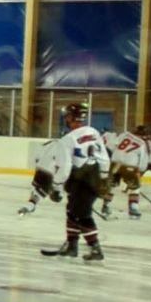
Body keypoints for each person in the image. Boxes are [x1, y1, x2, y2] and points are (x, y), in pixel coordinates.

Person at [44, 103, 108, 261]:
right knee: (72, 210)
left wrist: (57, 187)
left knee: (81, 214)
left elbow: (64, 167)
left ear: (70, 117)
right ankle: (72, 245)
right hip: (96, 175)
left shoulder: (68, 139)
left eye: (67, 116)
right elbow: (104, 156)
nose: (65, 118)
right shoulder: (93, 131)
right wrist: (104, 178)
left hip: (81, 180)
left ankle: (95, 249)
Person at [107, 124, 151, 219]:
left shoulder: (124, 135)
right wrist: (139, 172)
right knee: (135, 188)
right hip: (129, 166)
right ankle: (133, 209)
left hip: (115, 163)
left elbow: (111, 146)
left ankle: (105, 206)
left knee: (112, 185)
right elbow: (142, 162)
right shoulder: (143, 143)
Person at [17, 136, 67, 216]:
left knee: (37, 193)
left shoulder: (50, 143)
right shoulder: (65, 148)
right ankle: (30, 206)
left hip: (40, 168)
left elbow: (36, 157)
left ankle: (31, 205)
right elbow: (63, 167)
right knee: (41, 192)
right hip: (49, 172)